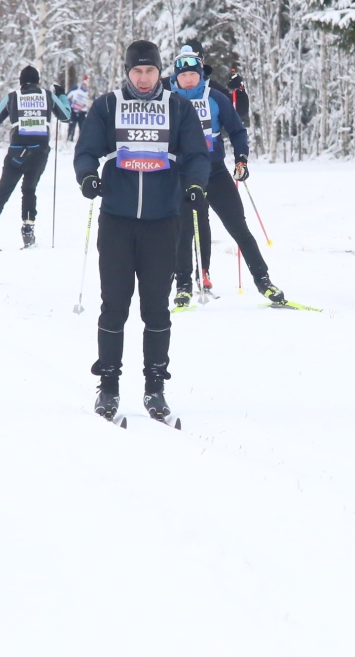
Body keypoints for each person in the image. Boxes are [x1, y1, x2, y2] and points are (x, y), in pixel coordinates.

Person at [74, 40, 211, 424]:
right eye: (138, 70)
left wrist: (196, 183)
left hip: (162, 222)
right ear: (127, 72)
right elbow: (86, 150)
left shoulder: (177, 107)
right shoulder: (108, 106)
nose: (144, 78)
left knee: (155, 307)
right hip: (116, 221)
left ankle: (155, 388)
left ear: (160, 71)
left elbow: (197, 154)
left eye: (150, 70)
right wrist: (87, 176)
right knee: (114, 305)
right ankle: (108, 387)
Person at [166, 46, 285, 307]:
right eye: (183, 75)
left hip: (215, 172)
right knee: (183, 231)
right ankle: (184, 285)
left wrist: (241, 158)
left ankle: (263, 281)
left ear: (200, 74)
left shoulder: (215, 97)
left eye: (193, 74)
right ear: (176, 77)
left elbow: (237, 130)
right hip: (182, 175)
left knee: (239, 227)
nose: (188, 80)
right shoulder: (167, 100)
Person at [0, 65, 72, 249]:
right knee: (29, 190)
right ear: (38, 81)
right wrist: (62, 95)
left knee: (2, 193)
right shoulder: (47, 95)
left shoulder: (13, 97)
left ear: (21, 82)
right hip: (39, 153)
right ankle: (28, 232)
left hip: (17, 154)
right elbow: (66, 116)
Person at [66, 75, 91, 142]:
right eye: (84, 84)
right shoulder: (76, 89)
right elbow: (67, 97)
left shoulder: (89, 94)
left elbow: (91, 104)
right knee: (71, 127)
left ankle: (81, 141)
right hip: (73, 111)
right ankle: (69, 140)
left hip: (82, 113)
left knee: (82, 128)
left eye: (86, 85)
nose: (85, 86)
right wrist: (69, 105)